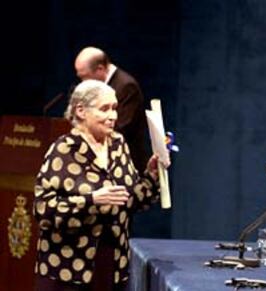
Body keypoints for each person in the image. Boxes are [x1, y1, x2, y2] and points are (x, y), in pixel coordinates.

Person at [33, 80, 169, 291]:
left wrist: (151, 176)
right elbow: (43, 210)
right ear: (81, 111)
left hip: (112, 264)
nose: (113, 116)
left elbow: (130, 199)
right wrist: (92, 200)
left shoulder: (118, 144)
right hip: (68, 268)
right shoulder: (64, 149)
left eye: (114, 108)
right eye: (104, 109)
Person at [74, 46, 148, 174]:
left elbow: (120, 127)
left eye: (85, 77)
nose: (82, 83)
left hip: (124, 165)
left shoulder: (126, 86)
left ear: (100, 69)